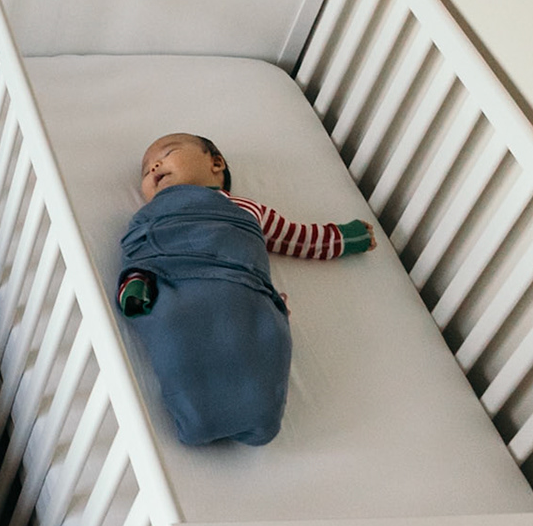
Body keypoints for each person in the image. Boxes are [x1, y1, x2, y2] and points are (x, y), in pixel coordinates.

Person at [116, 133, 375, 446]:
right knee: (173, 333)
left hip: (241, 293)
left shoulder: (246, 208)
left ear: (215, 163)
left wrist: (346, 237)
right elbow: (141, 252)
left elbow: (298, 238)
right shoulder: (150, 215)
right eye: (146, 171)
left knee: (264, 338)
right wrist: (136, 281)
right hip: (177, 288)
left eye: (168, 153)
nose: (154, 166)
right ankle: (196, 417)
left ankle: (259, 415)